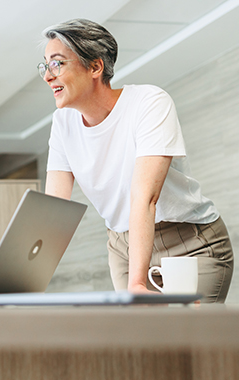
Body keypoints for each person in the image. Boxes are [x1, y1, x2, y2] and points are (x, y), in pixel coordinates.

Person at [40, 18, 233, 302]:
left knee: (188, 343)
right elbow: (52, 209)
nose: (47, 76)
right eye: (44, 66)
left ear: (95, 67)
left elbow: (144, 198)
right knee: (143, 345)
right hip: (124, 246)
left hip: (188, 245)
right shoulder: (63, 123)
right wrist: (17, 278)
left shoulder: (149, 103)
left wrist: (138, 282)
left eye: (57, 64)